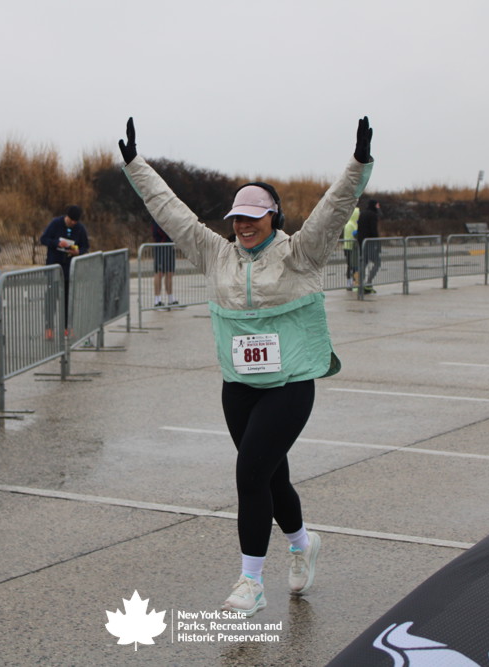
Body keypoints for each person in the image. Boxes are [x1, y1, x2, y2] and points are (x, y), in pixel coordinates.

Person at [118, 115, 374, 617]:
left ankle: (250, 582)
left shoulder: (301, 254)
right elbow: (170, 211)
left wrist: (359, 163)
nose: (244, 225)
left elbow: (334, 207)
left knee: (250, 472)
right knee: (270, 477)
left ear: (274, 217)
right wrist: (134, 165)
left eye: (254, 216)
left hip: (290, 384)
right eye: (237, 217)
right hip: (239, 387)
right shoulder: (216, 255)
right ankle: (303, 544)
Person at [40, 205, 89, 336]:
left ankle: (67, 327)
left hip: (69, 270)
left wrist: (78, 251)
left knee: (68, 299)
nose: (73, 223)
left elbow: (85, 246)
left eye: (75, 221)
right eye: (71, 220)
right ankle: (49, 328)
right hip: (54, 268)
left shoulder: (80, 228)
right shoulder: (55, 223)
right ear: (67, 217)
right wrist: (56, 243)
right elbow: (43, 239)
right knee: (51, 299)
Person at [151, 220, 178, 308]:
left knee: (169, 273)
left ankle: (171, 299)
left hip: (169, 246)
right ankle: (157, 300)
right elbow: (157, 231)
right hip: (160, 247)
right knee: (159, 273)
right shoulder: (157, 218)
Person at [356, 199, 382, 293]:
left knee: (363, 263)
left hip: (361, 243)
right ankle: (368, 282)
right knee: (377, 263)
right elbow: (374, 231)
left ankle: (360, 284)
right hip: (370, 243)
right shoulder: (373, 215)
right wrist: (378, 244)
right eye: (377, 205)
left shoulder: (362, 213)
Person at [343, 207, 358, 290]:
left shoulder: (353, 224)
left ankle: (353, 282)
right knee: (350, 265)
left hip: (351, 247)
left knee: (353, 266)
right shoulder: (350, 224)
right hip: (349, 248)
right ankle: (349, 283)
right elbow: (351, 236)